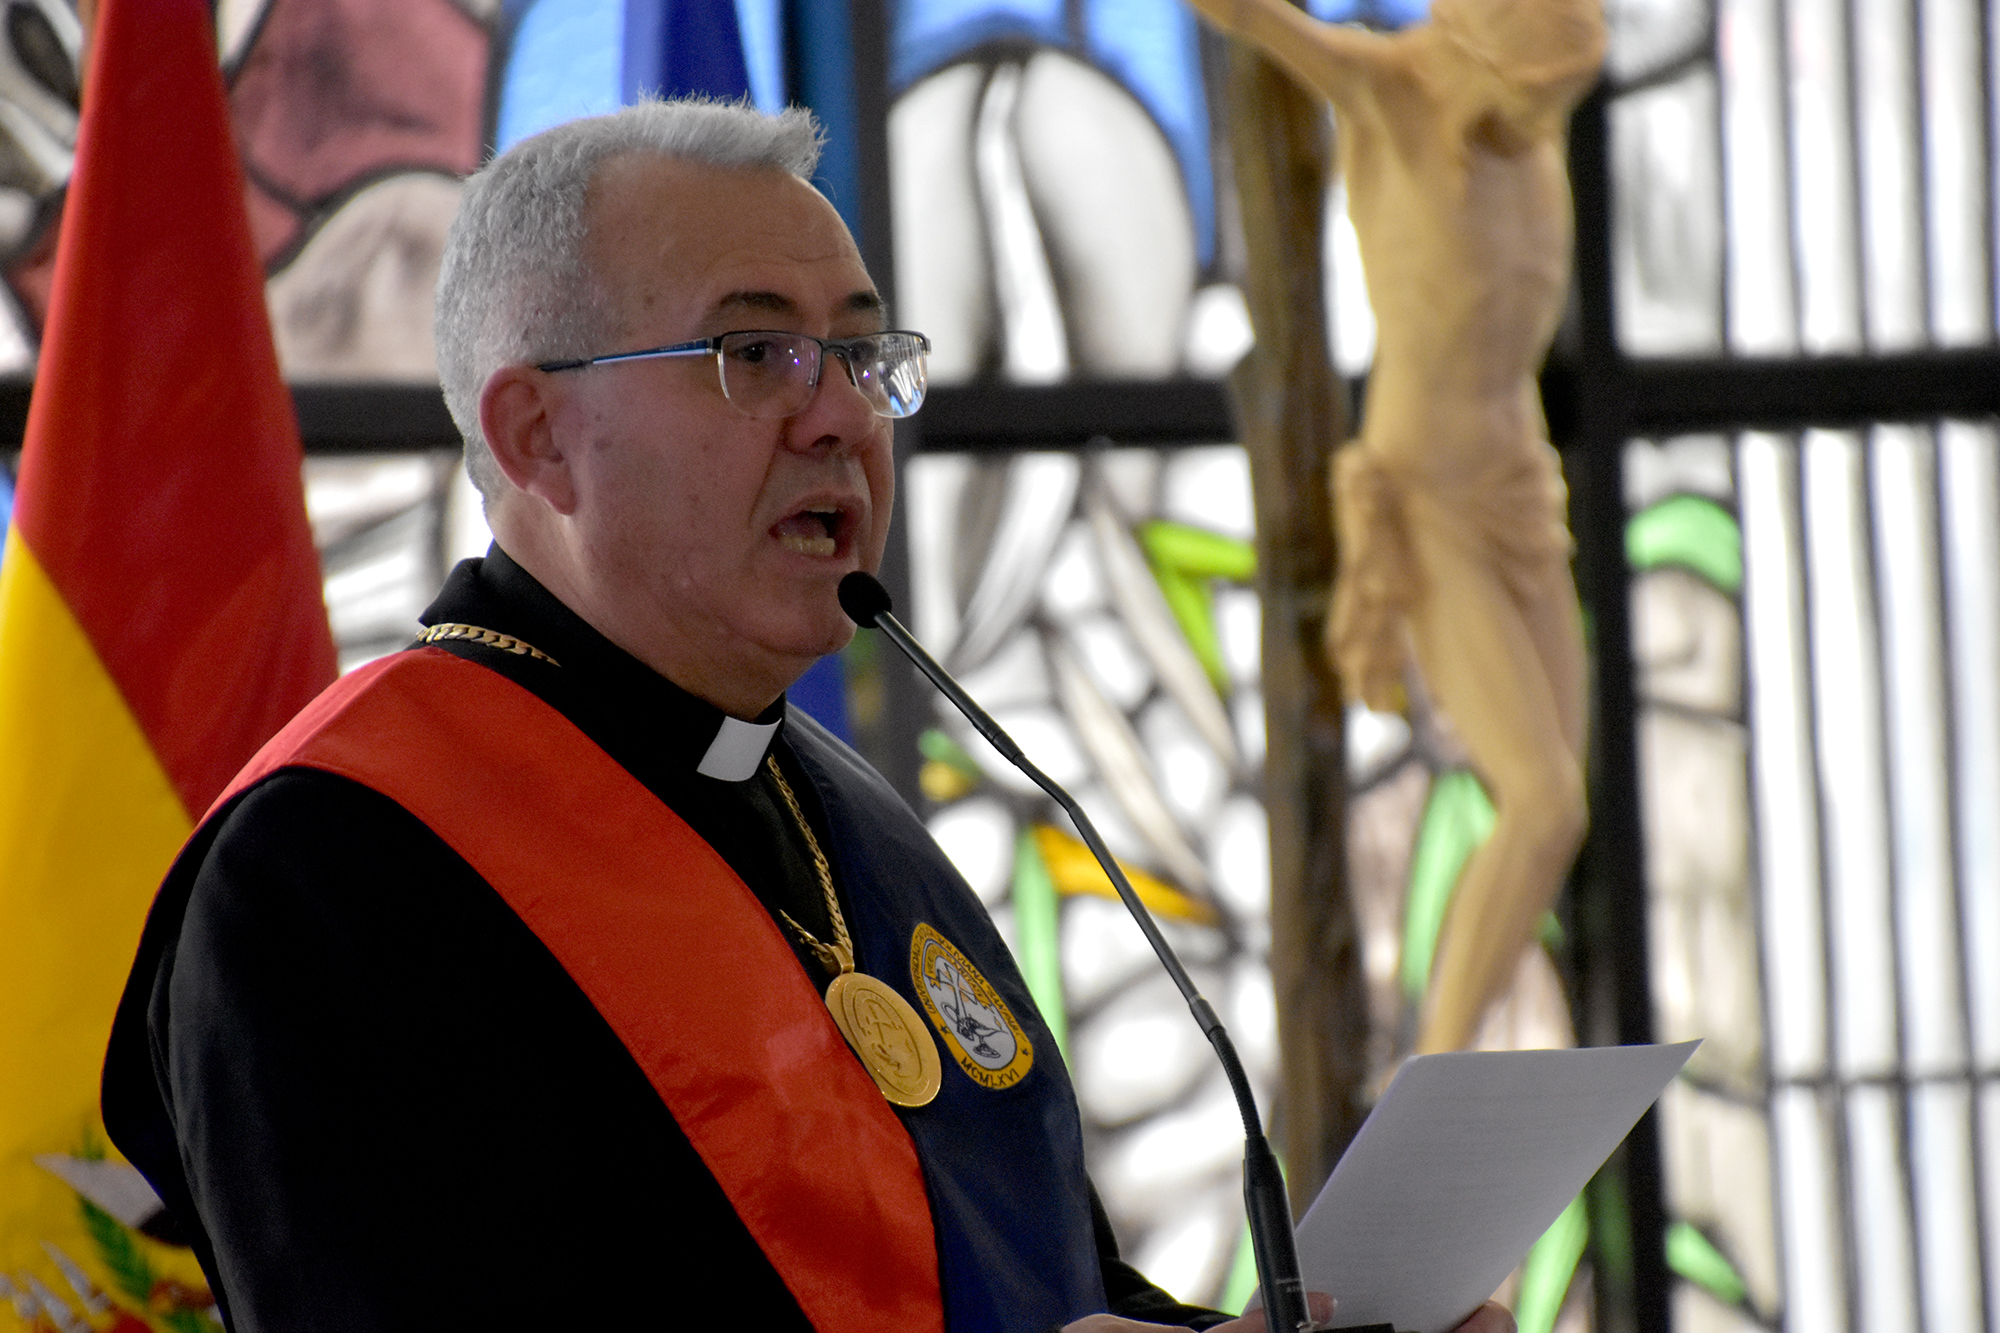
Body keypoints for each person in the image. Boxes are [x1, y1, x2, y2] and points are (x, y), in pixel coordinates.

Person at [103, 99, 1510, 1333]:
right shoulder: (336, 870)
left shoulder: (854, 821)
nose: (841, 415)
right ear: (538, 437)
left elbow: (1041, 1283)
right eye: (753, 354)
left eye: (860, 353)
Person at [1183, 0, 1603, 1055]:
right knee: (1540, 800)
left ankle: (1463, 1043)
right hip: (1432, 501)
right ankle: (1440, 1063)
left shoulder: (1530, 128)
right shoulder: (1386, 92)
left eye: (1560, 102)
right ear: (1477, 57)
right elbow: (1253, 19)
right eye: (1530, 97)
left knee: (1562, 816)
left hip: (1523, 488)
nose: (1542, 122)